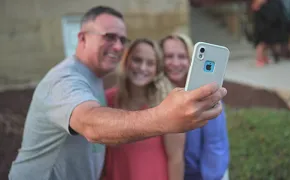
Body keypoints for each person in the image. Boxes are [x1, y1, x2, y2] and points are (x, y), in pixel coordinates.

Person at [8, 6, 227, 180]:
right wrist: (165, 117)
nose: (117, 46)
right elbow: (92, 125)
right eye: (109, 37)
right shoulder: (65, 80)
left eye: (122, 40)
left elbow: (178, 158)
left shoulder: (94, 80)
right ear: (82, 37)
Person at [101, 38, 185, 180]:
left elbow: (175, 159)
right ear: (126, 61)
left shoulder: (167, 105)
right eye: (137, 60)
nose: (142, 68)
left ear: (157, 69)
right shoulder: (107, 100)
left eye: (150, 63)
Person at [159, 33, 230, 180]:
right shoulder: (155, 93)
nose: (176, 63)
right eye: (169, 56)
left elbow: (215, 146)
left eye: (182, 56)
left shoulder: (205, 96)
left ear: (191, 59)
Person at [252, 0, 287, 66]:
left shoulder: (270, 2)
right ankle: (259, 60)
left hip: (267, 26)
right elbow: (259, 12)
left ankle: (264, 58)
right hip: (262, 26)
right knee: (261, 43)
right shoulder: (259, 3)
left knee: (266, 44)